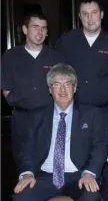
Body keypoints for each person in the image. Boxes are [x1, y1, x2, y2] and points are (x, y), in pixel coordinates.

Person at [12, 63, 107, 201]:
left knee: (91, 196)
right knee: (22, 196)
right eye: (56, 84)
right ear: (50, 89)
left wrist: (90, 172)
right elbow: (26, 148)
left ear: (75, 87)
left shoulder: (92, 114)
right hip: (44, 177)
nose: (62, 90)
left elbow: (100, 147)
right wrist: (27, 173)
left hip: (78, 176)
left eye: (67, 84)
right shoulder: (37, 116)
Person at [56, 0, 108, 201]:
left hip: (107, 111)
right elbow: (59, 75)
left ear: (101, 15)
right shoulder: (66, 41)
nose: (90, 17)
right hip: (77, 112)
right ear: (79, 17)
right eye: (85, 13)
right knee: (77, 155)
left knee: (107, 158)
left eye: (94, 13)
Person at [1, 12, 65, 159]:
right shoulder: (10, 57)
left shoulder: (57, 57)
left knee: (52, 164)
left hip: (50, 119)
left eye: (44, 28)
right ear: (24, 30)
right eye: (35, 27)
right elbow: (6, 89)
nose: (40, 32)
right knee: (24, 166)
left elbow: (65, 88)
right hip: (22, 120)